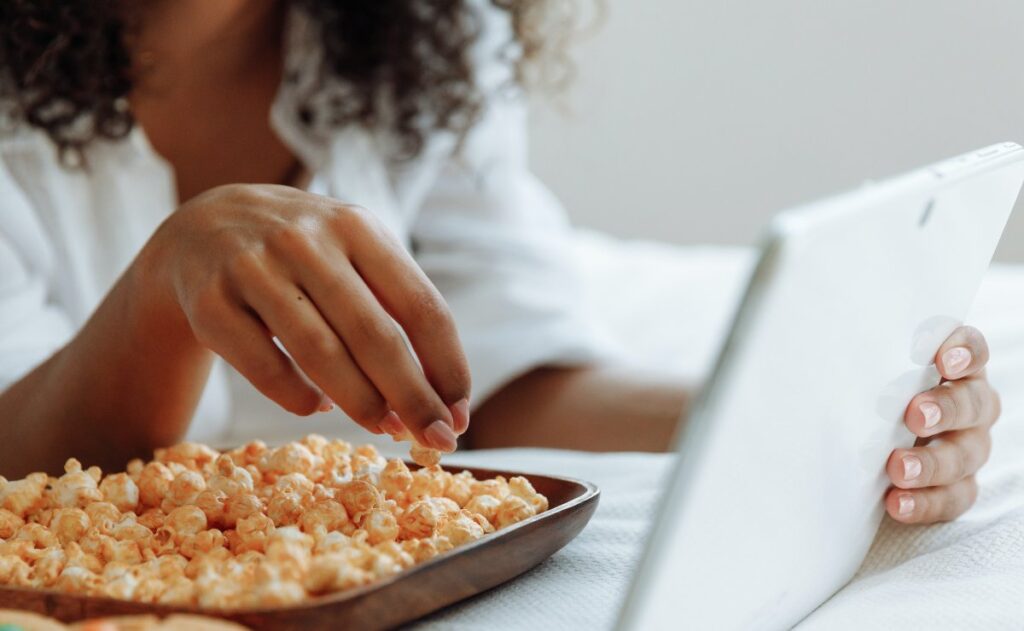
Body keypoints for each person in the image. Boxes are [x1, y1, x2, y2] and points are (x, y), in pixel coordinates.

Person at [0, 0, 999, 525]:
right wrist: (165, 291)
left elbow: (501, 385)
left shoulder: (425, 32)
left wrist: (792, 414)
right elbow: (21, 479)